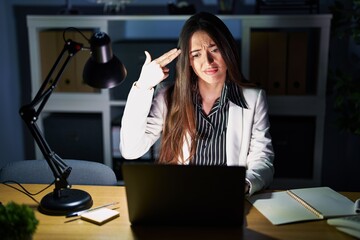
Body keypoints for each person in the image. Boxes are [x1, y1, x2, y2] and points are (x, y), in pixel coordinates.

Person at [120, 12, 274, 196]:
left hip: (228, 198)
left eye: (214, 49)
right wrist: (143, 86)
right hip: (181, 198)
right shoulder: (168, 98)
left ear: (228, 50)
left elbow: (263, 159)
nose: (207, 61)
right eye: (196, 54)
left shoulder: (253, 99)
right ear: (189, 62)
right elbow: (130, 150)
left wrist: (245, 184)